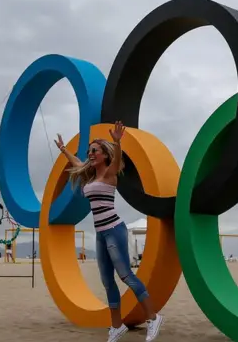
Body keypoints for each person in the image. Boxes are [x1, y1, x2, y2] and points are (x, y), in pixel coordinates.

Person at [54, 121, 163, 342]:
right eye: (89, 151)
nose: (90, 154)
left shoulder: (110, 174)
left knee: (126, 276)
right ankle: (116, 327)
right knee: (107, 280)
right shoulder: (91, 176)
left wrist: (116, 142)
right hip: (101, 233)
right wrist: (64, 150)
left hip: (114, 229)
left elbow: (117, 159)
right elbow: (77, 162)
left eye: (94, 150)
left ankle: (153, 318)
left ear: (104, 155)